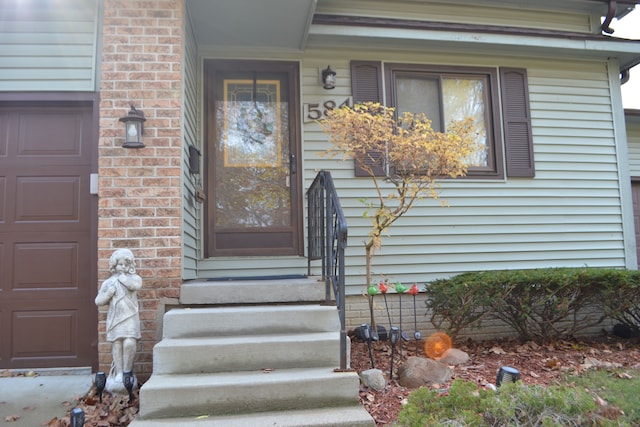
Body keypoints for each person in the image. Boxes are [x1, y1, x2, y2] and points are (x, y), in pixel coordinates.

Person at [95, 248, 142, 392]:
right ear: (114, 266)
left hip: (130, 317)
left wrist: (122, 278)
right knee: (117, 344)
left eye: (125, 264)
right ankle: (119, 372)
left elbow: (135, 286)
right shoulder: (109, 283)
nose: (122, 267)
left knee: (129, 342)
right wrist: (108, 293)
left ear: (130, 265)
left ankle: (128, 371)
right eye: (119, 264)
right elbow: (98, 301)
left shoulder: (133, 279)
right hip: (115, 319)